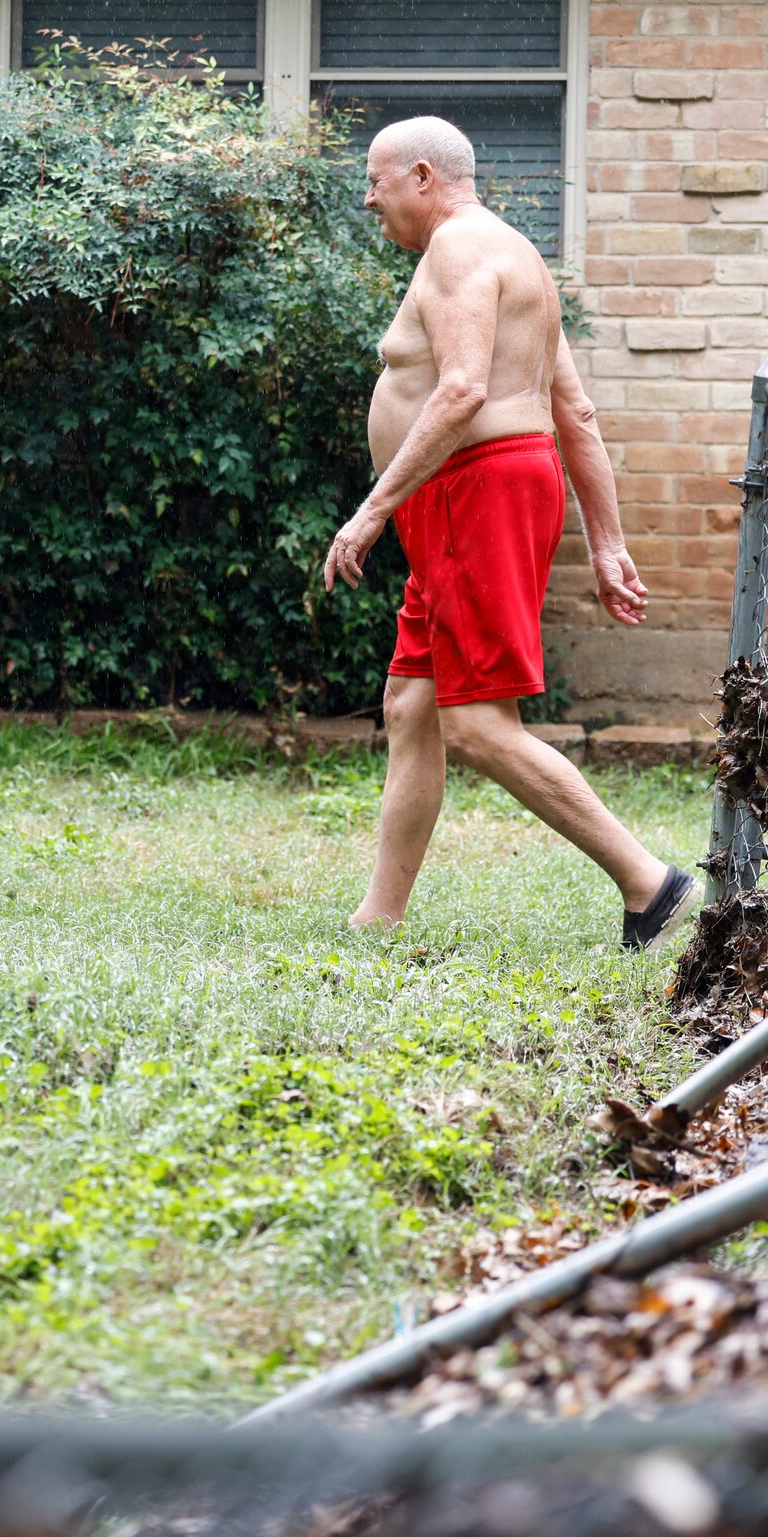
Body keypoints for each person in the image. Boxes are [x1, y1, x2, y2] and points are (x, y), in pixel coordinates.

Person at [321, 116, 699, 949]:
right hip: (478, 493)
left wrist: (372, 509)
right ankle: (378, 915)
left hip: (472, 493)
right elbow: (576, 410)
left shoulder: (457, 251)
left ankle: (650, 882)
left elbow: (458, 394)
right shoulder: (517, 253)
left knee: (479, 725)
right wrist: (607, 542)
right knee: (413, 703)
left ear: (423, 176)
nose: (369, 197)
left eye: (377, 180)